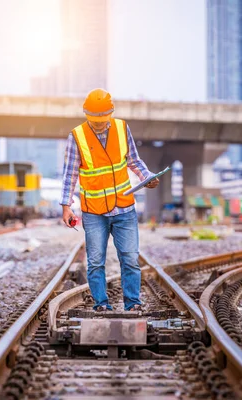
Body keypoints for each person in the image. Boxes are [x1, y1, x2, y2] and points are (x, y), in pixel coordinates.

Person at [60, 88, 159, 312]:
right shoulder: (77, 137)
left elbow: (134, 160)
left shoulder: (122, 129)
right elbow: (70, 175)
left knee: (130, 259)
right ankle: (101, 305)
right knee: (95, 262)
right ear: (87, 115)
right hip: (94, 212)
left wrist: (147, 177)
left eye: (102, 119)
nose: (98, 124)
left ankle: (133, 304)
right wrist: (66, 206)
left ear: (110, 113)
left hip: (124, 209)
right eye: (93, 119)